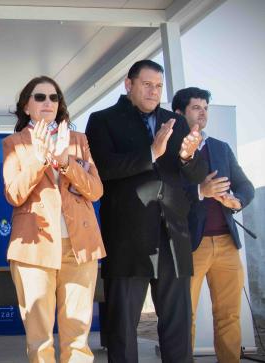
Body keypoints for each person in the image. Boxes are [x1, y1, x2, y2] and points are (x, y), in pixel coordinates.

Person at [85, 59, 207, 362]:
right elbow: (103, 169)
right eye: (147, 84)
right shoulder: (102, 120)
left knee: (178, 332)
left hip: (173, 239)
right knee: (123, 332)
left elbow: (195, 176)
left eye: (159, 86)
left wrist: (189, 156)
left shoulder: (175, 123)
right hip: (127, 240)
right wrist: (151, 153)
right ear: (129, 84)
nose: (154, 91)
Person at [2, 76, 105, 362]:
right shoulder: (14, 143)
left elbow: (95, 191)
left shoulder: (78, 140)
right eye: (40, 97)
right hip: (35, 251)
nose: (48, 102)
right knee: (40, 340)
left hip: (80, 246)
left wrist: (65, 163)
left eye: (54, 97)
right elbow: (14, 194)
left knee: (78, 339)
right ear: (26, 106)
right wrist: (40, 158)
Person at [171, 87, 255, 363]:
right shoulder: (169, 148)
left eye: (205, 107)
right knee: (187, 316)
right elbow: (166, 192)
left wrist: (237, 200)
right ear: (179, 113)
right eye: (196, 107)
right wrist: (200, 191)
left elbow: (245, 185)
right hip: (191, 245)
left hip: (227, 244)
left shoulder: (220, 147)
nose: (203, 112)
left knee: (229, 315)